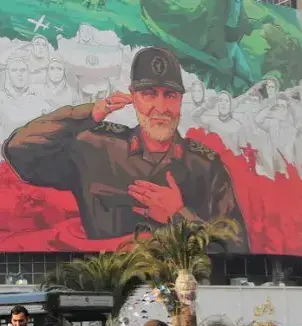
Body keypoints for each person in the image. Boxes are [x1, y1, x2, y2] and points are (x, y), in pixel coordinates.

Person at [2, 46, 248, 252]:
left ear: (180, 100)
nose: (160, 107)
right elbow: (19, 149)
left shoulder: (206, 166)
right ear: (133, 97)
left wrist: (178, 215)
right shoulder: (94, 146)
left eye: (170, 95)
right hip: (104, 286)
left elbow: (236, 249)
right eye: (149, 94)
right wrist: (89, 113)